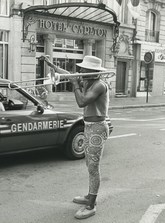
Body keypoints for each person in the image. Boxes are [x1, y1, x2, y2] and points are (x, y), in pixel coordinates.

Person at [43, 55, 110, 219]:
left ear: (91, 70)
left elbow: (82, 102)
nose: (80, 70)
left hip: (97, 128)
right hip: (89, 127)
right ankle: (90, 195)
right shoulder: (88, 80)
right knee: (89, 165)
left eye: (83, 68)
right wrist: (53, 66)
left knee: (93, 168)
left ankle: (91, 205)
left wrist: (74, 85)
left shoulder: (100, 85)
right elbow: (69, 74)